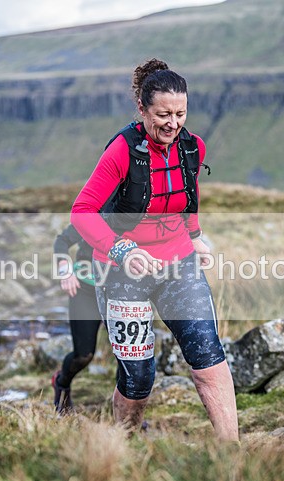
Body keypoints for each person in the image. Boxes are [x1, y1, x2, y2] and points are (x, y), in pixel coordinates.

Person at [70, 58, 239, 441]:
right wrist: (121, 251)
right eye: (163, 114)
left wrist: (194, 235)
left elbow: (187, 194)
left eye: (180, 114)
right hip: (121, 271)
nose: (172, 123)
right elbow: (82, 212)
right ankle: (125, 444)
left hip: (178, 264)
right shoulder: (121, 151)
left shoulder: (192, 147)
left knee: (207, 356)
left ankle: (233, 455)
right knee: (139, 377)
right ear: (142, 109)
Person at [50, 224, 102, 413]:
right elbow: (62, 241)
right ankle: (61, 384)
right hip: (85, 290)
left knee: (126, 354)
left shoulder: (141, 213)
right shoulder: (96, 211)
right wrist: (65, 270)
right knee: (83, 356)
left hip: (122, 292)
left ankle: (129, 415)